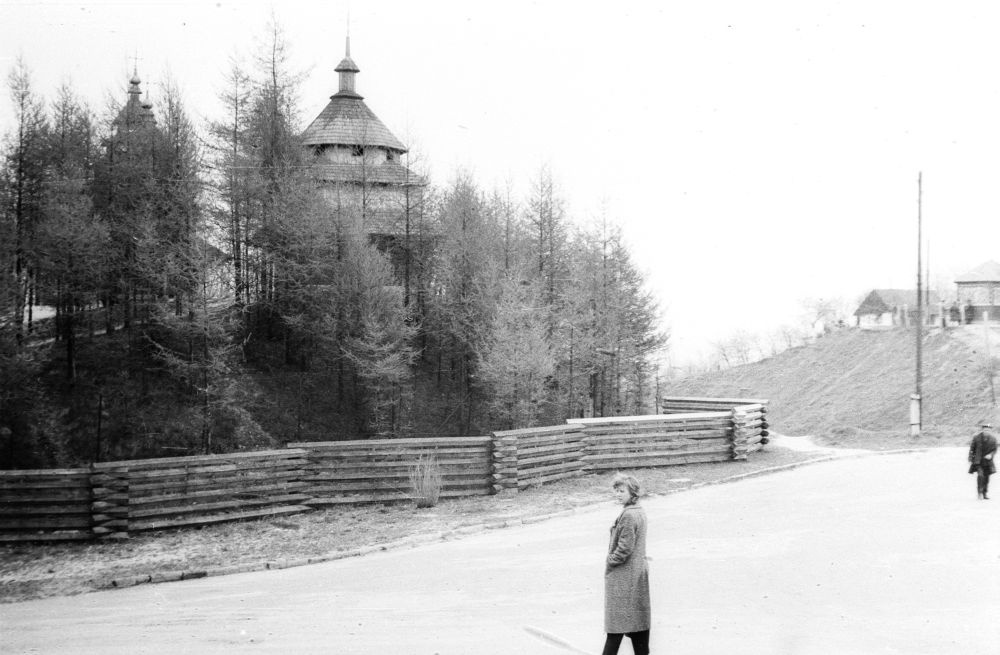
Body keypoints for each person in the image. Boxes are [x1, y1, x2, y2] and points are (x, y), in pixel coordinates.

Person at [602, 474, 651, 655]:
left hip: (624, 577)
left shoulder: (629, 516)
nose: (618, 494)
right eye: (616, 491)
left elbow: (624, 548)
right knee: (637, 623)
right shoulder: (639, 511)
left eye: (622, 491)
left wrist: (610, 561)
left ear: (633, 493)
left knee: (616, 627)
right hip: (636, 575)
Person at [968, 423, 997, 499]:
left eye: (988, 430)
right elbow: (972, 449)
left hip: (988, 462)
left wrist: (991, 455)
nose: (986, 431)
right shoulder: (976, 438)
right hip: (978, 461)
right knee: (980, 476)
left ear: (990, 431)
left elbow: (995, 449)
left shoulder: (993, 439)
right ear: (982, 430)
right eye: (985, 430)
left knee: (987, 478)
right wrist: (970, 458)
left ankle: (985, 493)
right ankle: (979, 492)